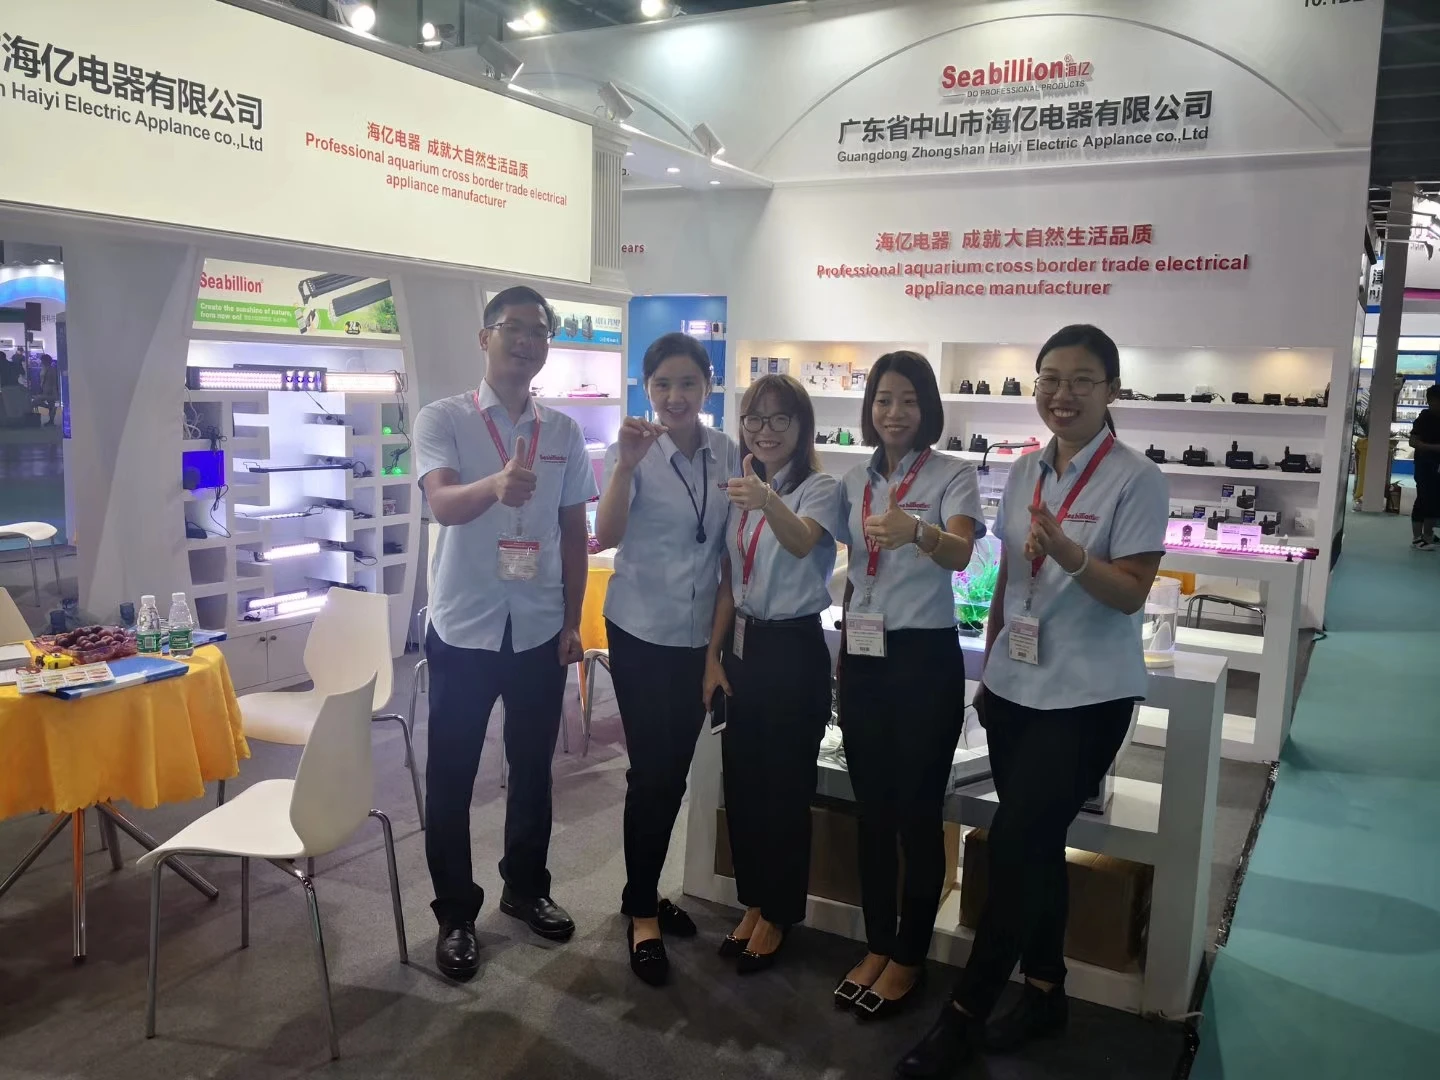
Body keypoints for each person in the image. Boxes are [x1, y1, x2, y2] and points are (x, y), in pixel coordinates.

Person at [897, 325, 1168, 1077]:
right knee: (1037, 846)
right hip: (1016, 690)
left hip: (1087, 698)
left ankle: (964, 1015)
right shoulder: (1022, 473)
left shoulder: (1137, 479)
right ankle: (1046, 991)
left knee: (1016, 847)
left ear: (1112, 390)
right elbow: (1011, 583)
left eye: (1082, 380)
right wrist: (990, 674)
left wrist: (1075, 555)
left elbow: (1131, 594)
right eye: (1050, 378)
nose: (1062, 394)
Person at [414, 285, 598, 982]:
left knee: (531, 769)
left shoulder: (564, 433)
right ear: (485, 337)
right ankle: (455, 914)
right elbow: (441, 503)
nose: (526, 341)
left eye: (538, 331)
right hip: (464, 628)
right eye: (513, 328)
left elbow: (574, 534)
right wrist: (493, 486)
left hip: (538, 629)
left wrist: (573, 621)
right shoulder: (444, 418)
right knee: (452, 775)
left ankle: (525, 887)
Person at [832, 351, 985, 1020]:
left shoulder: (954, 474)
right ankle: (878, 944)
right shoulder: (852, 479)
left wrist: (918, 531)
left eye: (908, 400)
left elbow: (962, 552)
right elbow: (847, 563)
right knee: (872, 811)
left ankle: (910, 956)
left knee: (919, 814)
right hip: (863, 654)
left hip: (924, 658)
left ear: (928, 408)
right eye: (883, 400)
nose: (893, 413)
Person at [593, 332, 741, 986]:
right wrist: (625, 467)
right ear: (646, 388)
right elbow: (607, 534)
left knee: (673, 773)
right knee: (653, 773)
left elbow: (727, 558)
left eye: (687, 383)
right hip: (641, 630)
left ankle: (644, 889)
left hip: (697, 638)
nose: (674, 396)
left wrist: (714, 652)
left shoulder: (728, 452)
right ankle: (641, 910)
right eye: (662, 385)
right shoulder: (630, 449)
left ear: (707, 385)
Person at [703, 373, 842, 974]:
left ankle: (780, 913)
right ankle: (755, 902)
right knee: (743, 785)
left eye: (780, 418)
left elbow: (802, 541)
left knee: (785, 791)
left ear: (802, 426)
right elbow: (730, 579)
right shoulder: (742, 489)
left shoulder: (821, 487)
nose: (765, 431)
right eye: (755, 419)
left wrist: (766, 501)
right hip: (743, 645)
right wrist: (713, 656)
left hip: (793, 648)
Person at [1406, 383, 1440, 550]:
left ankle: (1428, 534)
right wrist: (1431, 448)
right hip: (1425, 464)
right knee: (1423, 498)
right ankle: (1417, 537)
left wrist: (1426, 446)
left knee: (1435, 499)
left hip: (1435, 464)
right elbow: (1413, 441)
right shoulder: (1424, 418)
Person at [39, 354, 59, 426]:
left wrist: (54, 390)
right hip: (45, 388)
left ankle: (51, 419)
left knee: (50, 404)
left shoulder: (51, 369)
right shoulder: (45, 368)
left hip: (50, 389)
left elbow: (53, 381)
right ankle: (51, 418)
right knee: (50, 404)